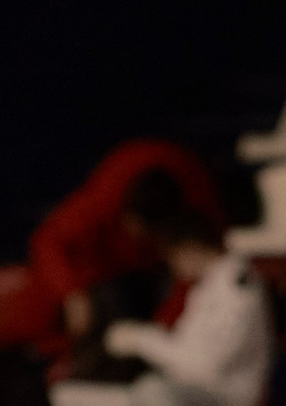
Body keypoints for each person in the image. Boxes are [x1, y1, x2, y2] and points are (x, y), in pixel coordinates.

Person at [50, 206, 274, 406]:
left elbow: (205, 367)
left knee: (154, 390)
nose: (173, 266)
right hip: (182, 394)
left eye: (172, 257)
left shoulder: (239, 285)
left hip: (228, 399)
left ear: (189, 248)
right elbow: (182, 354)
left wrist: (143, 340)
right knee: (68, 398)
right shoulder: (204, 289)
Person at [29, 142, 226, 351]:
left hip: (155, 280)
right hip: (105, 280)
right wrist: (71, 294)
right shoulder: (106, 196)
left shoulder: (199, 214)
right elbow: (47, 241)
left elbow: (196, 279)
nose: (135, 237)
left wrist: (161, 334)